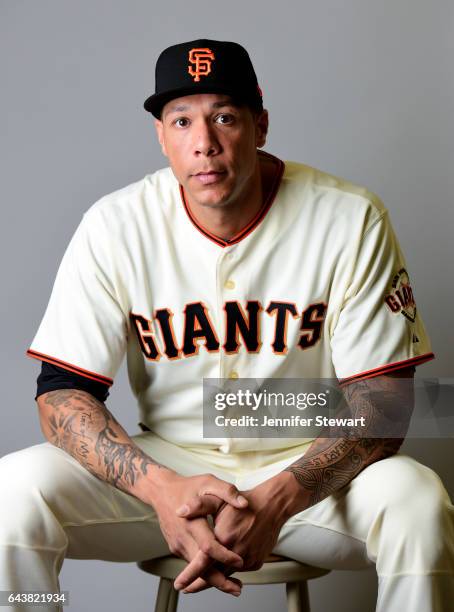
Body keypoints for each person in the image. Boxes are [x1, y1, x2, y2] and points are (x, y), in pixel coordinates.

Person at [1, 38, 453, 611]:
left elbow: (387, 403)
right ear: (161, 137)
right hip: (165, 466)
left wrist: (279, 498)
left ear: (260, 126)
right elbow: (62, 394)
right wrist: (162, 489)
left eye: (224, 117)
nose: (204, 143)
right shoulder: (114, 225)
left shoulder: (349, 217)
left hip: (308, 471)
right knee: (10, 494)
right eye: (182, 120)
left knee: (419, 503)